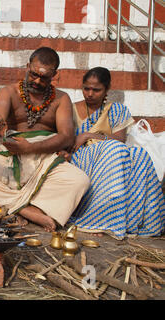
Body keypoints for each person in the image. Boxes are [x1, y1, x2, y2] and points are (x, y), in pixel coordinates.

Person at [0, 47, 90, 232]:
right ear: (27, 66)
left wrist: (31, 148)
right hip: (12, 153)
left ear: (55, 75)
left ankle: (14, 206)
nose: (37, 81)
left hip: (43, 158)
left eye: (44, 77)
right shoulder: (9, 92)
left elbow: (66, 136)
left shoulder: (61, 98)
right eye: (33, 75)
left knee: (79, 180)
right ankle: (27, 209)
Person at [67, 67, 165, 239]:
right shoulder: (70, 109)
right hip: (81, 157)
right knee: (115, 151)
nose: (90, 94)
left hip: (111, 154)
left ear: (107, 89)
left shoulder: (117, 110)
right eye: (86, 88)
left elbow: (119, 138)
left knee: (139, 155)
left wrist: (89, 135)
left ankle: (133, 220)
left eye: (96, 90)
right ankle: (99, 219)